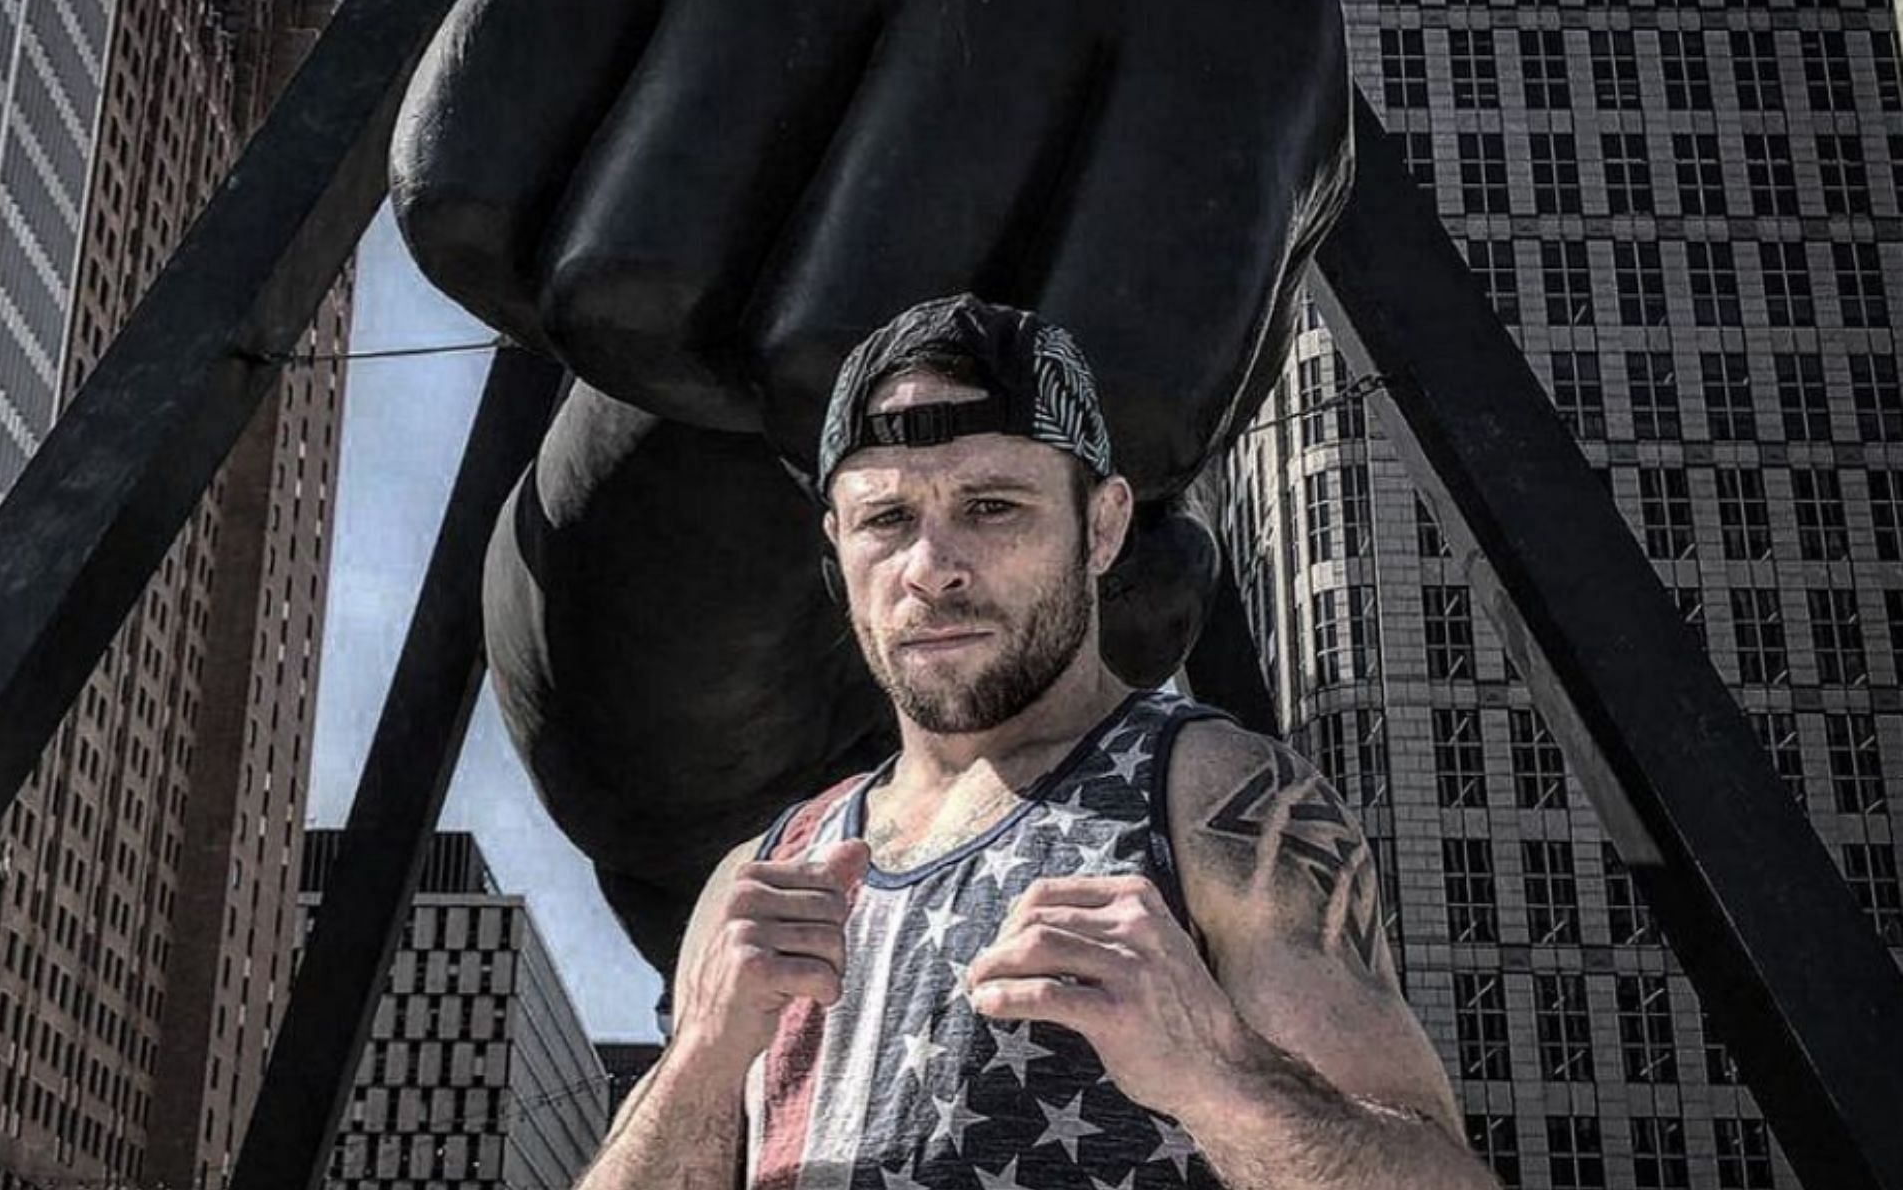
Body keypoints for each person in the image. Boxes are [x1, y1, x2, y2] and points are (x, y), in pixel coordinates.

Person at [575, 295, 1500, 1190]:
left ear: (1101, 527)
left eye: (992, 508)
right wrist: (700, 1062)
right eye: (888, 521)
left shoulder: (1214, 799)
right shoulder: (766, 871)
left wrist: (1218, 1072)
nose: (931, 570)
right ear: (837, 548)